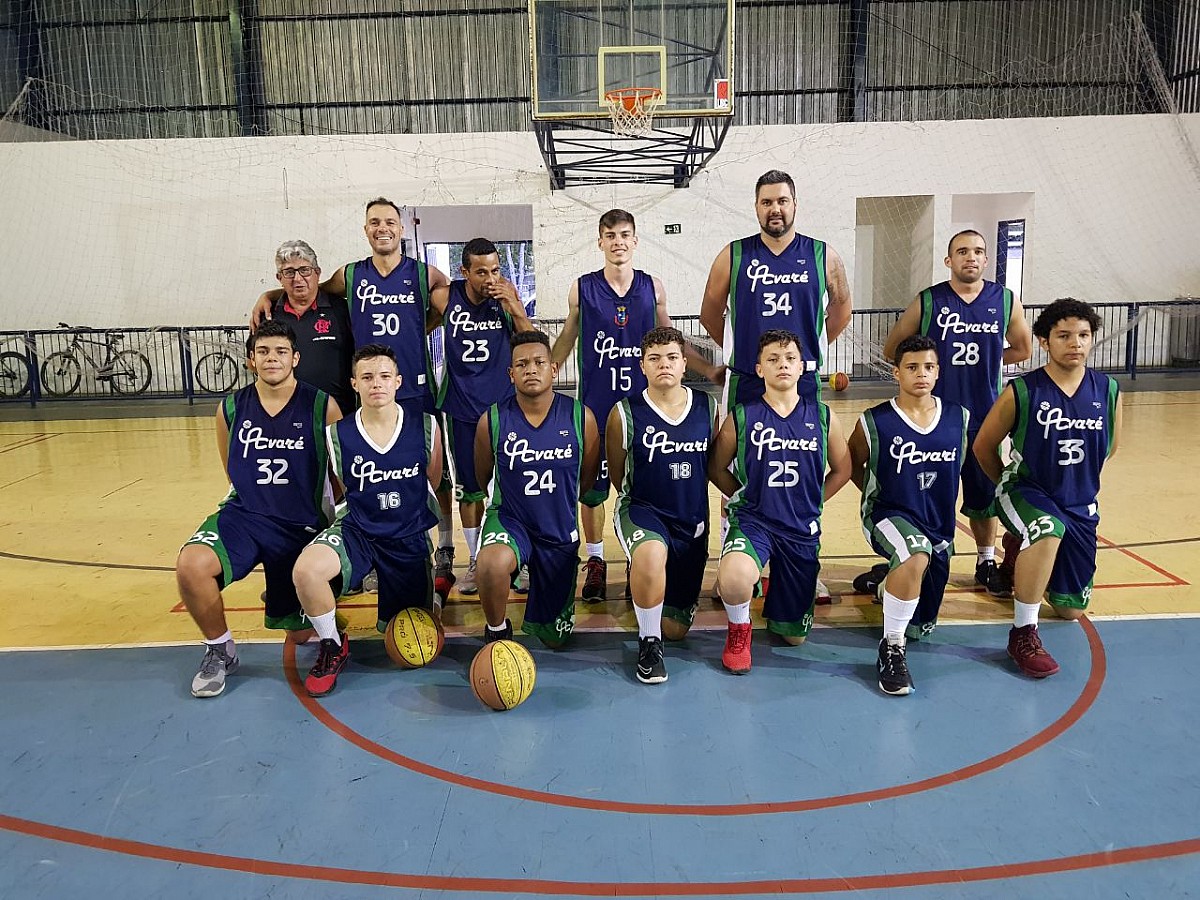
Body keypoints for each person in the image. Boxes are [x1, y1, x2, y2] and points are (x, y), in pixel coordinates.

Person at [252, 198, 452, 581]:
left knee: (432, 475)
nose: (383, 228)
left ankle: (442, 545)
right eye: (374, 222)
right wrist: (270, 296)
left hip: (414, 388)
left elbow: (445, 295)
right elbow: (312, 288)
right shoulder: (351, 275)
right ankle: (365, 544)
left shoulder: (423, 275)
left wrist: (419, 327)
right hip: (369, 392)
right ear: (365, 230)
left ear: (402, 228)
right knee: (369, 474)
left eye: (390, 222)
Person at [699, 169, 852, 604]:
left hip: (801, 382)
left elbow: (840, 308)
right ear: (756, 208)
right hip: (747, 379)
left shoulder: (824, 256)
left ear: (795, 204)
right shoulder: (734, 255)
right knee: (733, 464)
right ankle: (735, 558)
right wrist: (746, 354)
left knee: (803, 469)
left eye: (782, 200)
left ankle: (800, 562)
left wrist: (804, 357)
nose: (775, 209)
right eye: (767, 202)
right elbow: (711, 313)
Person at [551, 209, 719, 604]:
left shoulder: (653, 288)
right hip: (596, 404)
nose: (618, 242)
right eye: (610, 235)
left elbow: (671, 336)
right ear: (600, 241)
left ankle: (635, 556)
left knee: (642, 484)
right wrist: (548, 367)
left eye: (625, 235)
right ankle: (594, 561)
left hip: (642, 408)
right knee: (591, 488)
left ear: (635, 240)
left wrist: (706, 367)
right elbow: (566, 338)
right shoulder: (582, 289)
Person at [175, 321, 341, 698]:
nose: (272, 359)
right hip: (245, 517)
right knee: (191, 565)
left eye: (281, 351)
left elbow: (340, 473)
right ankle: (220, 650)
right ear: (251, 359)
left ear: (295, 358)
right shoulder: (231, 407)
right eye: (263, 351)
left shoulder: (321, 405)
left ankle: (286, 595)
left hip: (300, 526)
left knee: (301, 635)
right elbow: (232, 468)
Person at [973, 298, 1121, 679]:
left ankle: (1017, 555)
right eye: (1064, 335)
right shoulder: (1023, 390)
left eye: (1084, 335)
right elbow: (983, 446)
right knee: (1045, 527)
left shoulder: (1107, 390)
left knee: (1070, 610)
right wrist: (1009, 486)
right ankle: (1023, 633)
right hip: (1028, 490)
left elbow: (1110, 446)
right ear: (1043, 341)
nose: (1076, 343)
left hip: (1080, 500)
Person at [879, 230, 1032, 598]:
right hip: (934, 420)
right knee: (926, 492)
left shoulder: (1005, 300)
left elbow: (1023, 349)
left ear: (986, 258)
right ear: (949, 260)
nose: (971, 257)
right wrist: (926, 371)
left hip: (984, 416)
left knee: (983, 495)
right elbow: (891, 349)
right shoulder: (929, 301)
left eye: (978, 251)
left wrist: (990, 364)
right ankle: (913, 555)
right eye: (962, 251)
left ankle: (985, 560)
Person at [291, 343, 443, 698]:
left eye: (385, 376)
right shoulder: (337, 434)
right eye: (368, 377)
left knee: (409, 642)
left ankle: (428, 593)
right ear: (354, 383)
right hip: (358, 530)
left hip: (408, 537)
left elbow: (431, 481)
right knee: (306, 572)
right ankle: (332, 645)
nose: (377, 383)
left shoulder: (426, 426)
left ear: (398, 381)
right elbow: (340, 486)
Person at [707, 330, 851, 674]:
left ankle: (777, 595)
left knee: (793, 638)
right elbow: (714, 467)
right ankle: (739, 630)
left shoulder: (823, 417)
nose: (782, 365)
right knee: (735, 578)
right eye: (773, 359)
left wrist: (814, 501)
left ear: (803, 367)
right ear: (759, 370)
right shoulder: (741, 416)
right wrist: (741, 494)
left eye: (789, 359)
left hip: (800, 528)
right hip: (755, 520)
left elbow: (843, 469)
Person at [848, 335, 968, 696]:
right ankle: (891, 648)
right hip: (887, 514)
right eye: (912, 367)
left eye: (929, 367)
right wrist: (877, 492)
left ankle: (888, 583)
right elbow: (854, 465)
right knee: (914, 551)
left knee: (922, 627)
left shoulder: (957, 418)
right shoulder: (875, 421)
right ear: (896, 373)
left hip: (939, 526)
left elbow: (957, 468)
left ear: (938, 372)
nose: (921, 374)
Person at [473, 331, 600, 648]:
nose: (531, 369)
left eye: (539, 362)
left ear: (553, 369)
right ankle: (497, 629)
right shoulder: (492, 420)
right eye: (522, 364)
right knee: (490, 563)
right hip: (511, 520)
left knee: (555, 640)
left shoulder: (580, 417)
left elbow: (586, 480)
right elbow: (482, 475)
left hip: (558, 528)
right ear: (511, 373)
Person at [607, 326, 718, 684]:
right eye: (654, 359)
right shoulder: (625, 412)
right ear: (643, 366)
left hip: (692, 522)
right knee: (651, 554)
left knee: (677, 629)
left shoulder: (708, 408)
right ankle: (648, 642)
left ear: (685, 364)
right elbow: (617, 471)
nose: (664, 365)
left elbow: (715, 466)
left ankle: (652, 593)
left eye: (672, 357)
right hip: (643, 510)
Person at [429, 238, 533, 595]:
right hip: (461, 409)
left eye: (495, 269)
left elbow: (532, 340)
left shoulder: (505, 298)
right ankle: (475, 560)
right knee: (470, 490)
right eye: (481, 271)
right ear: (464, 271)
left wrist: (514, 306)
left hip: (505, 409)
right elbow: (419, 326)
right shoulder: (445, 297)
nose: (490, 277)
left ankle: (516, 559)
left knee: (513, 487)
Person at [267, 240, 354, 415]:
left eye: (305, 270)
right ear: (279, 278)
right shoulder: (267, 315)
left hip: (339, 415)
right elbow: (253, 362)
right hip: (286, 414)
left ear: (317, 273)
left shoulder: (342, 310)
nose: (298, 279)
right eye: (289, 272)